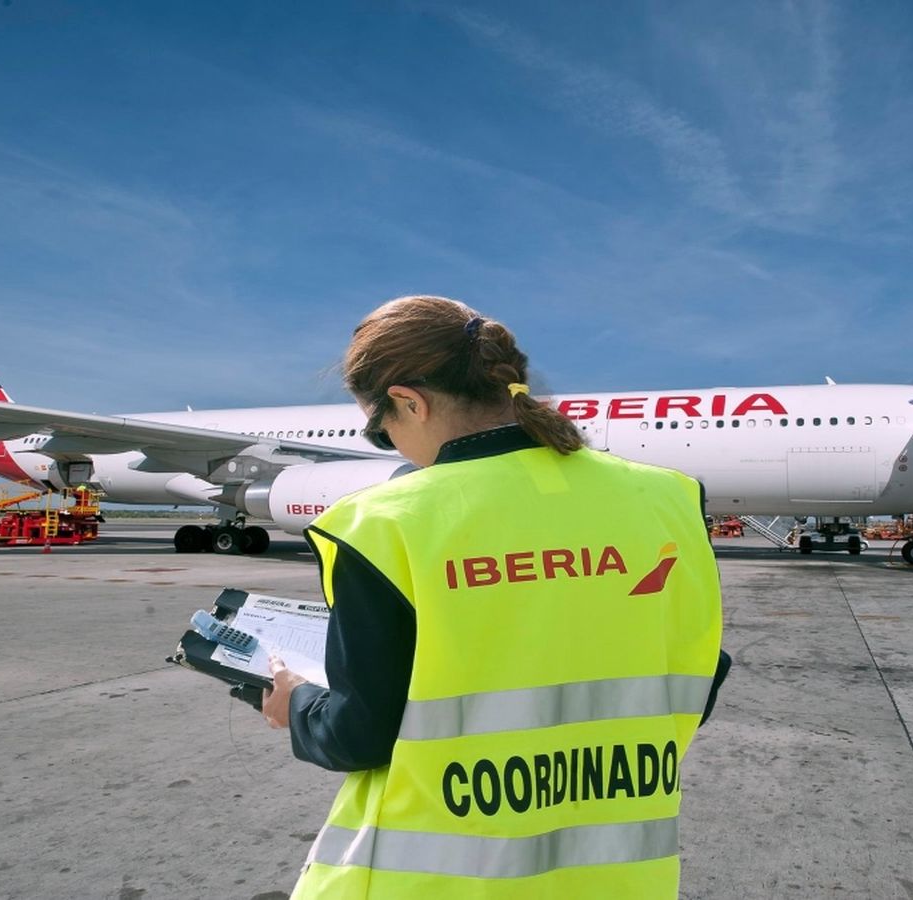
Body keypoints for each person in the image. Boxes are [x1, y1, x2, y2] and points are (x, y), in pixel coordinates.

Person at [260, 296, 730, 899]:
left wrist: (297, 704)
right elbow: (698, 670)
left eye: (381, 428)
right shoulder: (670, 499)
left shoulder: (381, 523)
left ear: (410, 402)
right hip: (620, 878)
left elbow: (359, 737)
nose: (391, 443)